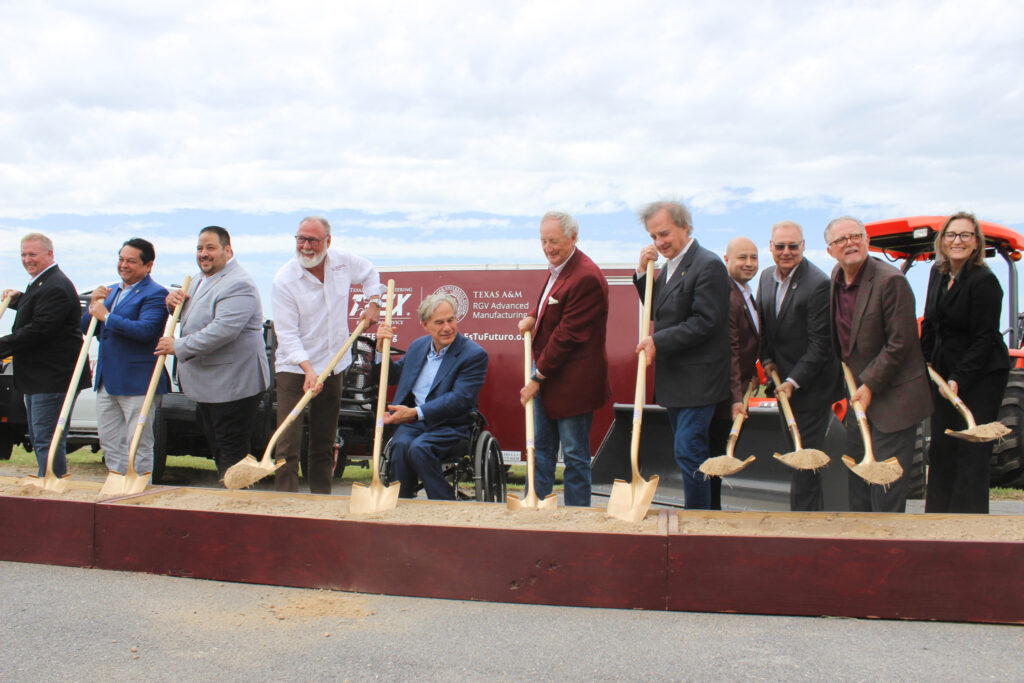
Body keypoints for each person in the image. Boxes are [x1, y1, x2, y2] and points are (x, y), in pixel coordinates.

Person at [826, 216, 932, 512]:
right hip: (859, 395)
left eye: (856, 236)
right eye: (841, 240)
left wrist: (870, 384)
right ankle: (862, 551)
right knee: (858, 483)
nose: (850, 243)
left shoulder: (891, 281)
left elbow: (901, 342)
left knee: (885, 489)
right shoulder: (836, 276)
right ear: (830, 250)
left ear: (866, 240)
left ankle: (889, 552)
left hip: (894, 398)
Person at [271, 216, 384, 494]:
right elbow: (286, 336)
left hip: (334, 366)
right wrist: (308, 370)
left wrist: (373, 303)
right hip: (294, 369)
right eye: (301, 239)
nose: (306, 246)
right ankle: (286, 505)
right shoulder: (284, 280)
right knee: (288, 441)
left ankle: (321, 501)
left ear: (327, 242)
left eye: (313, 240)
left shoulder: (342, 262)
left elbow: (370, 272)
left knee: (324, 439)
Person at [635, 201, 730, 510]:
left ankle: (697, 519)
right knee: (689, 450)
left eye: (664, 233)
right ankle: (705, 517)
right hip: (676, 380)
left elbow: (705, 321)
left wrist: (657, 341)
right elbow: (658, 309)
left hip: (699, 381)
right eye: (653, 236)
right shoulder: (667, 267)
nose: (659, 242)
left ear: (685, 227)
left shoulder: (707, 264)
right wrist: (641, 272)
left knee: (689, 450)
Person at [156, 226, 270, 479]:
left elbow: (222, 331)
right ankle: (229, 502)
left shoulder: (239, 283)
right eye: (199, 248)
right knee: (219, 448)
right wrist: (171, 303)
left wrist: (178, 347)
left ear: (227, 250)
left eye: (210, 248)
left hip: (233, 385)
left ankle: (234, 507)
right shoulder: (197, 280)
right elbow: (191, 318)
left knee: (232, 452)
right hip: (209, 385)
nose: (203, 254)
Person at [517, 211, 610, 507]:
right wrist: (534, 315)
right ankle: (539, 507)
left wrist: (536, 378)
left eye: (554, 241)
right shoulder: (558, 267)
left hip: (573, 384)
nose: (548, 248)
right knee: (541, 449)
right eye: (543, 241)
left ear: (573, 237)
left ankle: (577, 518)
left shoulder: (586, 277)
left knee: (574, 456)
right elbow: (550, 301)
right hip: (549, 376)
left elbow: (568, 335)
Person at [921, 212, 1009, 514]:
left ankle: (968, 530)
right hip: (945, 374)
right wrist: (924, 363)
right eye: (951, 235)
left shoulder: (984, 282)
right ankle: (937, 523)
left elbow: (984, 338)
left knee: (971, 452)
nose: (957, 241)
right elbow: (931, 324)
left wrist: (959, 378)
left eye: (965, 236)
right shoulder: (938, 273)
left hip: (981, 376)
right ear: (942, 241)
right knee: (942, 449)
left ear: (975, 243)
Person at [756, 220, 842, 511]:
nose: (786, 252)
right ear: (770, 247)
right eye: (780, 246)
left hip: (809, 388)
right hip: (782, 384)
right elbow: (764, 327)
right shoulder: (766, 277)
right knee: (795, 454)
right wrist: (766, 359)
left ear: (803, 246)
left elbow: (821, 345)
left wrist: (793, 382)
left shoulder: (818, 284)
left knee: (805, 462)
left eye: (793, 246)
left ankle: (803, 524)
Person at [375, 294, 488, 500]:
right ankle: (402, 502)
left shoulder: (473, 354)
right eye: (439, 322)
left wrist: (415, 413)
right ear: (425, 325)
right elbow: (392, 376)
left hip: (451, 425)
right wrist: (382, 350)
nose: (447, 327)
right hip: (414, 423)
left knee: (420, 448)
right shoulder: (418, 346)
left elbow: (460, 399)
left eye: (451, 320)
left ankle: (444, 504)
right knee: (400, 446)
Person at [0, 233, 91, 477]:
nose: (27, 260)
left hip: (52, 378)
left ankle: (52, 484)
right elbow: (38, 309)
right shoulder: (43, 283)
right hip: (38, 378)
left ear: (50, 254)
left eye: (33, 254)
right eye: (23, 255)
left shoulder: (56, 285)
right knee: (42, 436)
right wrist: (18, 300)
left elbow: (40, 329)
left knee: (47, 439)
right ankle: (47, 479)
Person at [82, 238, 170, 476]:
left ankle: (139, 488)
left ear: (148, 265)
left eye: (131, 261)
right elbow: (87, 327)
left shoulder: (156, 294)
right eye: (121, 259)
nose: (124, 265)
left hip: (138, 380)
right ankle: (117, 486)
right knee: (110, 440)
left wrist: (107, 317)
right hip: (107, 380)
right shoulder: (110, 292)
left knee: (138, 441)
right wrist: (93, 304)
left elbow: (145, 331)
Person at [707, 236, 761, 510]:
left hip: (737, 388)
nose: (749, 263)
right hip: (723, 398)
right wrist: (736, 398)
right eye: (742, 257)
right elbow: (730, 351)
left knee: (717, 462)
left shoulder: (746, 293)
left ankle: (711, 516)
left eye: (753, 257)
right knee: (715, 462)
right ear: (726, 260)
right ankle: (710, 518)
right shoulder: (728, 296)